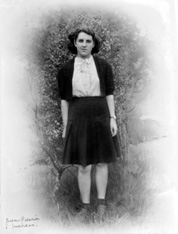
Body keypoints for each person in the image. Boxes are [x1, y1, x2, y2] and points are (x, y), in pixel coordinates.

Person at [57, 27, 120, 220]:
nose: (84, 45)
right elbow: (64, 100)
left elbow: (109, 93)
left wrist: (112, 118)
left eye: (88, 41)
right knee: (84, 165)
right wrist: (66, 126)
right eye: (81, 41)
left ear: (94, 44)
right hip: (78, 115)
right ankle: (85, 207)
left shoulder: (104, 66)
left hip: (101, 114)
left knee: (101, 161)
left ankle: (101, 204)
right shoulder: (66, 69)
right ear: (74, 43)